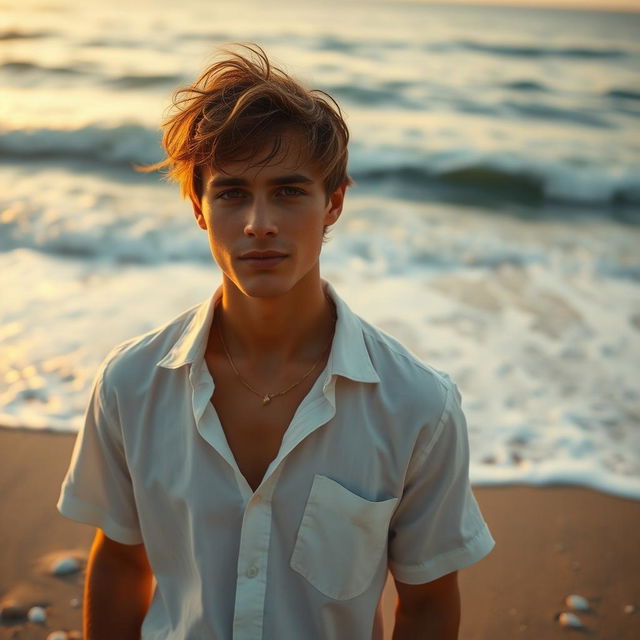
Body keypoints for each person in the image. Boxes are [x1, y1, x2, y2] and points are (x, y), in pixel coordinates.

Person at [57, 43, 494, 640]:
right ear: (199, 209)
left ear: (333, 203)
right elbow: (120, 561)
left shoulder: (417, 405)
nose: (259, 221)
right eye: (232, 192)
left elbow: (427, 604)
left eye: (289, 191)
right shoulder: (132, 384)